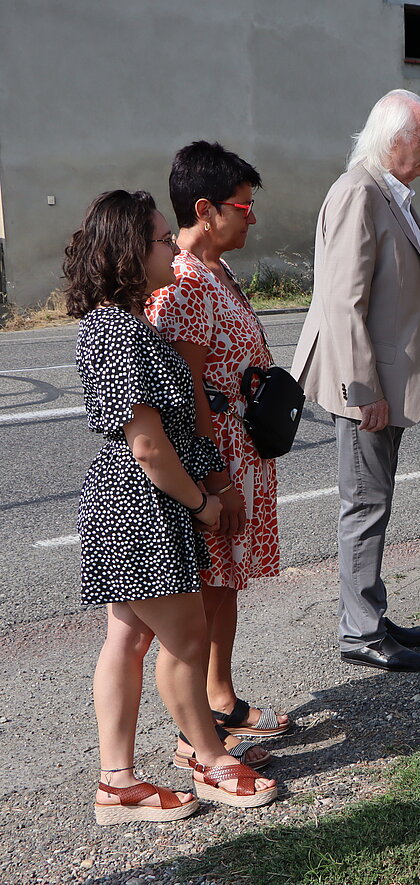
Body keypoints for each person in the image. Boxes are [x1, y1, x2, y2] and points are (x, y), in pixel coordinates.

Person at [68, 190, 277, 824]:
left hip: (122, 502)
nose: (171, 246)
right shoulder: (121, 334)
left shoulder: (115, 328)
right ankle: (209, 759)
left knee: (127, 640)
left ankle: (119, 781)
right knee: (184, 641)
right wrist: (206, 504)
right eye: (161, 239)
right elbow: (150, 445)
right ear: (130, 252)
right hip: (143, 503)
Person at [291, 89, 420, 672]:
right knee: (363, 504)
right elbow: (342, 303)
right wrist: (365, 393)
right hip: (365, 387)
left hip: (385, 381)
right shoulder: (359, 191)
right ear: (394, 139)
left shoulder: (389, 192)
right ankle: (359, 631)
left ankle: (370, 614)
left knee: (374, 501)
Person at [146, 143, 288, 766]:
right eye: (242, 206)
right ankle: (196, 727)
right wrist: (220, 481)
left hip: (241, 449)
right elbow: (191, 396)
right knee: (207, 587)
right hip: (219, 456)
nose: (250, 217)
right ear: (205, 209)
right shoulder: (183, 284)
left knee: (224, 585)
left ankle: (220, 696)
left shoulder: (216, 272)